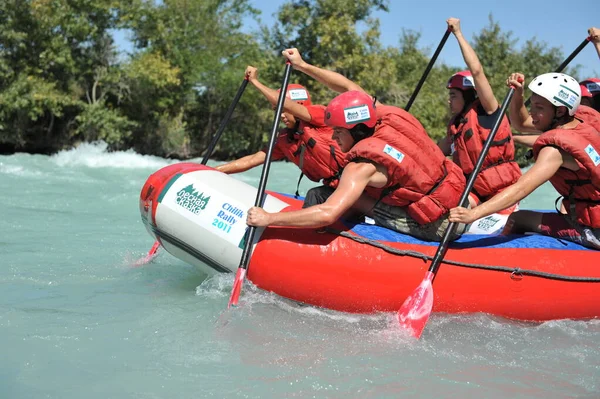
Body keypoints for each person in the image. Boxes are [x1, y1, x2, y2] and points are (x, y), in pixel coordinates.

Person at [246, 49, 468, 242]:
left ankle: (329, 242)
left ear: (355, 129)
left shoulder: (361, 167)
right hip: (462, 203)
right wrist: (302, 65)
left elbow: (326, 213)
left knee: (325, 195)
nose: (334, 137)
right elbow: (346, 86)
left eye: (339, 131)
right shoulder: (389, 116)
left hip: (438, 227)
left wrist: (268, 218)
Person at [449, 72, 600, 250]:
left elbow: (521, 189)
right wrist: (518, 93)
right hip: (591, 213)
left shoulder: (554, 151)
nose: (532, 112)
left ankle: (499, 262)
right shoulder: (585, 120)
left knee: (517, 219)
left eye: (539, 107)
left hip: (594, 230)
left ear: (559, 110)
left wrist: (472, 214)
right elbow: (520, 123)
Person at [215, 66, 345, 196]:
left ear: (297, 107)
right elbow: (252, 160)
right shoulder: (284, 139)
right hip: (333, 188)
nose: (281, 116)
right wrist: (213, 170)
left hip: (354, 181)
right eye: (277, 111)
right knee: (315, 195)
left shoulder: (320, 116)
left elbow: (285, 103)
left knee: (313, 195)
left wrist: (254, 81)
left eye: (283, 110)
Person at [439, 18, 522, 208]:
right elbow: (433, 152)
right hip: (475, 192)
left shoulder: (488, 110)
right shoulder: (455, 126)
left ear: (468, 95)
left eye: (453, 95)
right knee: (448, 206)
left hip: (503, 194)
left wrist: (458, 34)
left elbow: (476, 71)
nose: (449, 100)